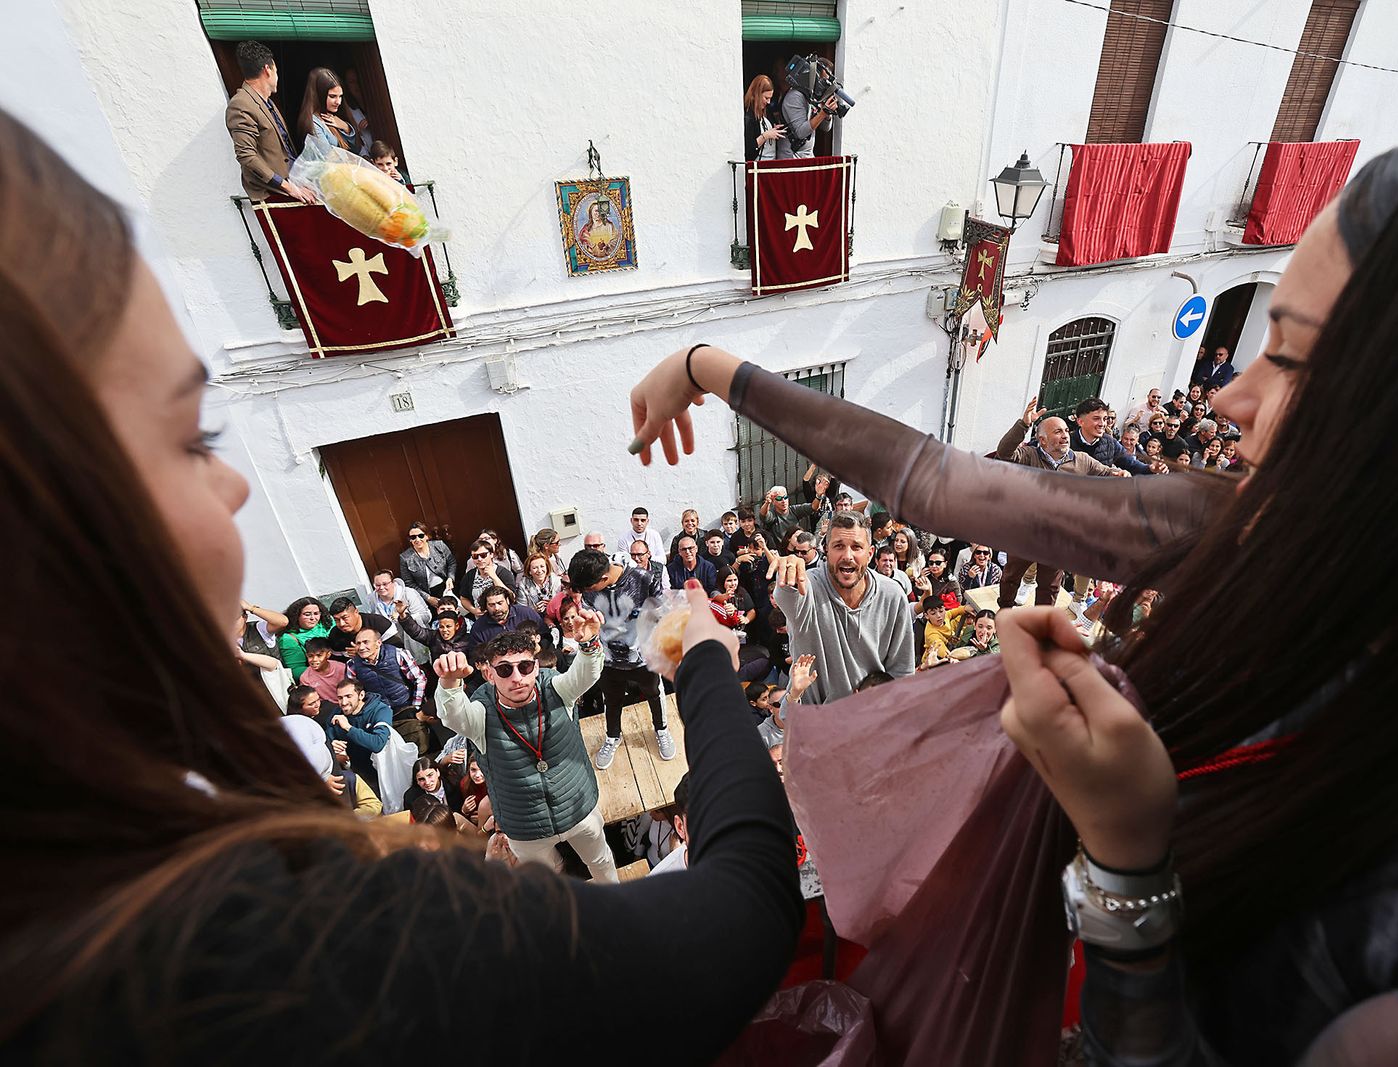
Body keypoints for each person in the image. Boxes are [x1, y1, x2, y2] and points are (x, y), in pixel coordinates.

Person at [623, 82, 1398, 1062]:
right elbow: (945, 483)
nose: (1228, 396)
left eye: (1293, 357)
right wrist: (711, 366)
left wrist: (1127, 855)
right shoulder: (1246, 526)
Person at [0, 109, 805, 1063]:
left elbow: (585, 667)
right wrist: (705, 664)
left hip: (578, 821)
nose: (234, 484)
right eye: (192, 439)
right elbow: (746, 912)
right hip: (534, 838)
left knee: (597, 868)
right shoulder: (301, 941)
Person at [434, 621, 621, 876]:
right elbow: (453, 716)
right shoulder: (481, 713)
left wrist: (588, 644)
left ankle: (614, 906)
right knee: (545, 877)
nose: (517, 678)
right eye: (504, 670)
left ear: (535, 668)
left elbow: (585, 674)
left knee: (600, 860)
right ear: (489, 675)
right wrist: (449, 683)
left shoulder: (556, 689)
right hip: (525, 825)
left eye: (525, 666)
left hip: (577, 806)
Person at [763, 512, 914, 705]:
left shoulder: (892, 595)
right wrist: (789, 570)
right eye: (839, 546)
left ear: (870, 553)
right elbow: (787, 596)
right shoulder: (807, 588)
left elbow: (902, 672)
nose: (847, 556)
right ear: (826, 550)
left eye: (857, 547)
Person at [994, 397, 1123, 609]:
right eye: (1057, 432)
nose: (1065, 436)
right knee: (1010, 578)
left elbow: (1108, 473)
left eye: (1065, 431)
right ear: (1042, 440)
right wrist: (1024, 424)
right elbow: (1004, 452)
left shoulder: (1081, 460)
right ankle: (1005, 609)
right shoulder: (1029, 456)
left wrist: (1120, 474)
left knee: (1050, 587)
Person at [568, 548, 675, 767]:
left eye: (588, 588)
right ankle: (612, 736)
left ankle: (661, 730)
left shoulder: (644, 579)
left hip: (643, 657)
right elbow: (588, 615)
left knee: (654, 694)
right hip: (607, 659)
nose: (585, 593)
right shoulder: (589, 586)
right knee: (612, 699)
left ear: (603, 578)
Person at [224, 40, 315, 205]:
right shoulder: (240, 104)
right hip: (274, 194)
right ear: (267, 70)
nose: (277, 77)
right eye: (276, 71)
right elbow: (246, 156)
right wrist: (288, 187)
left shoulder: (267, 101)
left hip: (294, 183)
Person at [345, 627, 429, 753]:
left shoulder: (398, 654)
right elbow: (352, 693)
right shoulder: (352, 665)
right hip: (380, 712)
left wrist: (415, 706)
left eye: (366, 642)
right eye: (358, 643)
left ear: (378, 643)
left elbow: (419, 679)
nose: (361, 647)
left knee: (418, 741)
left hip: (405, 705)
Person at [776, 55, 838, 160]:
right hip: (791, 159)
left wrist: (827, 115)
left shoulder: (812, 96)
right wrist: (822, 113)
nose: (824, 85)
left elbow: (826, 128)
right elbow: (801, 132)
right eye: (823, 80)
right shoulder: (795, 96)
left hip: (807, 157)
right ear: (815, 76)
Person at [1073, 398, 1153, 476]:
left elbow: (1131, 464)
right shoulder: (1067, 443)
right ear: (1080, 422)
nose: (1102, 424)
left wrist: (1151, 469)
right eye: (1096, 419)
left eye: (1104, 419)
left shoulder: (1110, 442)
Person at [296, 67, 359, 154]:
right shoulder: (313, 123)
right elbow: (328, 158)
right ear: (319, 95)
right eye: (332, 96)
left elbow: (356, 149)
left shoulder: (331, 116)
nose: (338, 102)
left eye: (340, 96)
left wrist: (346, 127)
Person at [399, 521, 456, 609]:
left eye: (421, 536)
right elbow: (409, 583)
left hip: (447, 586)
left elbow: (451, 562)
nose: (417, 540)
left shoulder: (439, 545)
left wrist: (450, 578)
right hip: (426, 594)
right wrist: (428, 598)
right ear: (410, 539)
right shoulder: (405, 558)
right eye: (413, 537)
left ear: (426, 536)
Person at [276, 595, 332, 675]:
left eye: (316, 613)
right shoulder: (288, 638)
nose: (313, 618)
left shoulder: (328, 622)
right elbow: (296, 670)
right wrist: (326, 672)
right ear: (296, 616)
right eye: (307, 614)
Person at [459, 538, 515, 617]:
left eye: (483, 555)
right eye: (475, 556)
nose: (479, 559)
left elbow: (511, 597)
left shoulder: (503, 573)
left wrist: (494, 577)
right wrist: (473, 610)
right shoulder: (469, 576)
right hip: (482, 620)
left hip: (503, 617)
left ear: (491, 554)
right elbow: (463, 598)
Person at [326, 596, 400, 653]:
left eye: (345, 617)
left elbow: (398, 650)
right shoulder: (335, 635)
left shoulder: (380, 624)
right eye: (336, 620)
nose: (341, 624)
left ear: (356, 612)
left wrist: (365, 653)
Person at [743, 74, 787, 161]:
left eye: (770, 98)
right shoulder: (749, 116)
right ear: (756, 94)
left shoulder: (766, 111)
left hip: (771, 162)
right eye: (766, 98)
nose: (768, 102)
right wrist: (766, 135)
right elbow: (749, 149)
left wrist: (774, 129)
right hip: (758, 165)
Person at [339, 66, 375, 157]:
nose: (357, 84)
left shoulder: (376, 101)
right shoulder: (348, 110)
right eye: (352, 82)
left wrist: (374, 121)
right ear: (347, 86)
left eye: (358, 80)